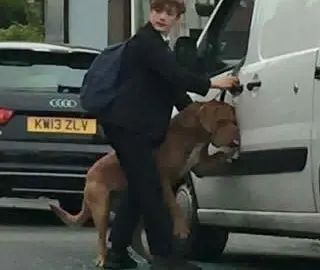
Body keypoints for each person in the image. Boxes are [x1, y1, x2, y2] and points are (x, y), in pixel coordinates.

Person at [98, 0, 238, 269]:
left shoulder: (157, 45)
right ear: (151, 12)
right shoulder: (145, 42)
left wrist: (195, 112)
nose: (162, 17)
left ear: (177, 18)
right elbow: (174, 76)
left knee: (138, 190)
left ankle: (116, 254)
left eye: (169, 13)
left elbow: (170, 88)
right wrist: (211, 83)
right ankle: (165, 258)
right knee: (151, 189)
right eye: (158, 11)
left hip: (132, 127)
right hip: (130, 127)